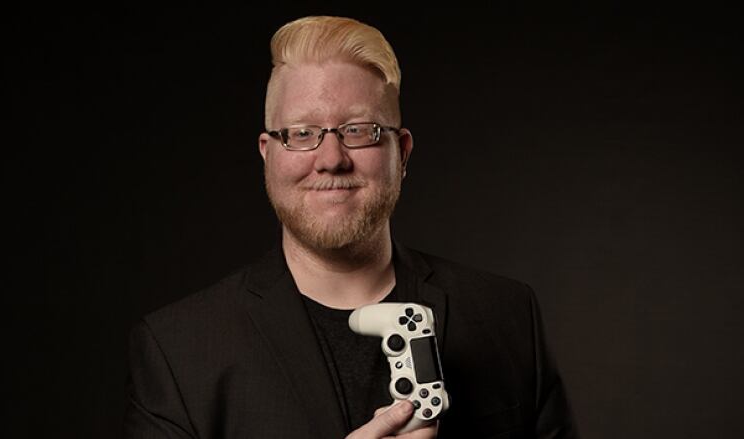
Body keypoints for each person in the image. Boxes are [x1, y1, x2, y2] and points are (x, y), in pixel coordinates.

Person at [124, 16, 579, 439]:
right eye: (301, 133)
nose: (331, 160)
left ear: (401, 152)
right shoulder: (180, 350)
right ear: (268, 153)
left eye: (360, 130)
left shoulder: (506, 316)